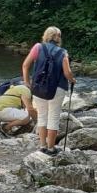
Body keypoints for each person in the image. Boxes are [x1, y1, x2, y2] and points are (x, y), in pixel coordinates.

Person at [21, 27, 74, 156]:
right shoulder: (63, 52)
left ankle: (42, 146)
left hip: (39, 88)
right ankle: (51, 148)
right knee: (53, 117)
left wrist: (27, 82)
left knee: (42, 116)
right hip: (57, 89)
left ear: (46, 36)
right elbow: (67, 73)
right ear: (58, 37)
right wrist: (73, 80)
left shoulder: (38, 47)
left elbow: (25, 65)